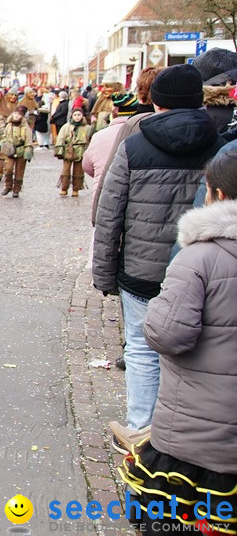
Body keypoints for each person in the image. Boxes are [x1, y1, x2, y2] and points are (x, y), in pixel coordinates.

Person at [93, 64, 223, 434]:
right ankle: (177, 433)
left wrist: (104, 273)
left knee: (140, 348)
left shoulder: (134, 144)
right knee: (190, 353)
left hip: (141, 271)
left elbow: (109, 212)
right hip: (200, 269)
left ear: (158, 102)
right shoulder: (221, 147)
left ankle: (140, 431)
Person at [116, 149, 237, 534]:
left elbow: (169, 333)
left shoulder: (200, 258)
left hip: (200, 431)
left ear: (216, 195)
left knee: (176, 519)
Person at [0, 105, 35, 198]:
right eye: (15, 113)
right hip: (10, 150)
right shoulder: (9, 125)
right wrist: (2, 143)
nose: (16, 115)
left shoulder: (26, 128)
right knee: (8, 168)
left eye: (18, 114)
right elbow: (5, 136)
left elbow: (29, 140)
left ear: (22, 116)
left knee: (19, 171)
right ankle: (7, 186)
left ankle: (17, 189)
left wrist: (28, 150)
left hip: (21, 150)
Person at [54, 107, 91, 197]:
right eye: (75, 115)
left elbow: (90, 139)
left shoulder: (87, 128)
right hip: (68, 149)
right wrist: (59, 151)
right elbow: (60, 138)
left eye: (79, 115)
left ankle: (76, 188)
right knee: (66, 170)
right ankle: (64, 188)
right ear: (72, 116)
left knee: (79, 171)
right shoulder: (66, 126)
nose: (77, 117)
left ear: (82, 116)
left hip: (81, 150)